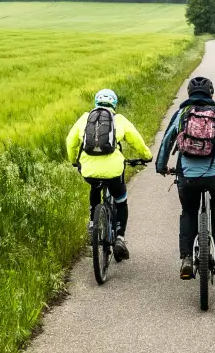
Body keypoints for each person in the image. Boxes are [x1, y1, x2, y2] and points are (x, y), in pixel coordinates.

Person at [155, 75, 215, 280]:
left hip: (187, 177)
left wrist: (161, 166)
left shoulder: (181, 114)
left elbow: (166, 142)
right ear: (211, 94)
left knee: (189, 211)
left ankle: (186, 257)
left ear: (189, 94)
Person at [65, 88, 154, 260]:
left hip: (89, 170)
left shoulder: (85, 118)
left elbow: (70, 141)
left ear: (96, 103)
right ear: (114, 104)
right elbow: (136, 140)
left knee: (95, 186)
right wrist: (147, 156)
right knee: (121, 201)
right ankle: (120, 237)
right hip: (113, 171)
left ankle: (93, 224)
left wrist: (73, 160)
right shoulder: (119, 119)